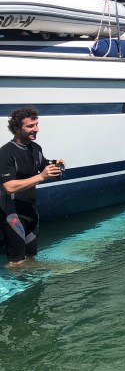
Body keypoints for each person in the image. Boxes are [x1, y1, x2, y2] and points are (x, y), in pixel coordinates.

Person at [0, 108, 64, 266]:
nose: (36, 129)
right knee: (16, 263)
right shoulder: (6, 153)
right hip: (13, 216)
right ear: (17, 128)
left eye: (36, 124)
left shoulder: (36, 148)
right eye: (30, 126)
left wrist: (56, 166)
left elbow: (43, 167)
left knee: (31, 258)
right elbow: (9, 187)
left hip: (32, 213)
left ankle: (29, 282)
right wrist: (41, 176)